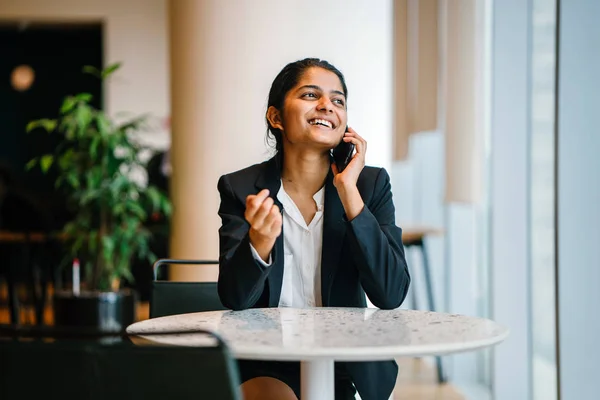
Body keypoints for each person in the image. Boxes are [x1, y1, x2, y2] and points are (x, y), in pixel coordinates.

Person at [217, 58, 411, 400]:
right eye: (310, 94)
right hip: (266, 359)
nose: (327, 106)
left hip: (344, 362)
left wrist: (350, 194)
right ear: (276, 117)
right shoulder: (241, 187)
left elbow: (390, 293)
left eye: (338, 100)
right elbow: (235, 298)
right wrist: (259, 244)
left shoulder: (370, 184)